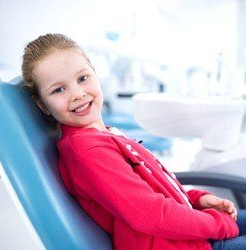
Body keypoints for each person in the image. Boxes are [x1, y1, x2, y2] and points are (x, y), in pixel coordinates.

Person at [21, 33, 246, 250]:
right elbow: (151, 215)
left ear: (95, 74)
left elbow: (155, 186)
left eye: (82, 78)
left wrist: (196, 199)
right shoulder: (88, 151)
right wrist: (219, 225)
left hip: (183, 238)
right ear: (42, 104)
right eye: (59, 89)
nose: (78, 93)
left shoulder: (104, 134)